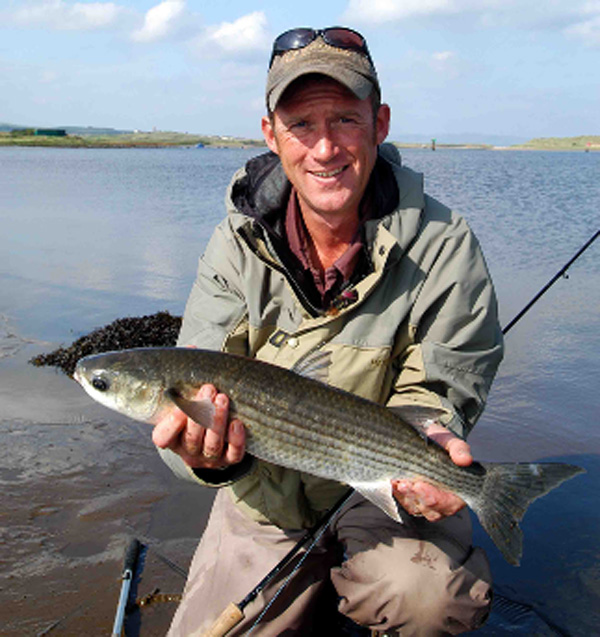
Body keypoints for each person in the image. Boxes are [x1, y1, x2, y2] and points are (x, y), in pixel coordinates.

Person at [154, 26, 504, 636]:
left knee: (429, 603)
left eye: (345, 119)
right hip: (265, 494)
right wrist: (206, 462)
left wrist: (437, 439)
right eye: (301, 125)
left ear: (380, 123)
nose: (324, 149)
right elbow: (199, 372)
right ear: (271, 135)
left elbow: (444, 387)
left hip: (387, 489)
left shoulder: (447, 243)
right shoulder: (232, 245)